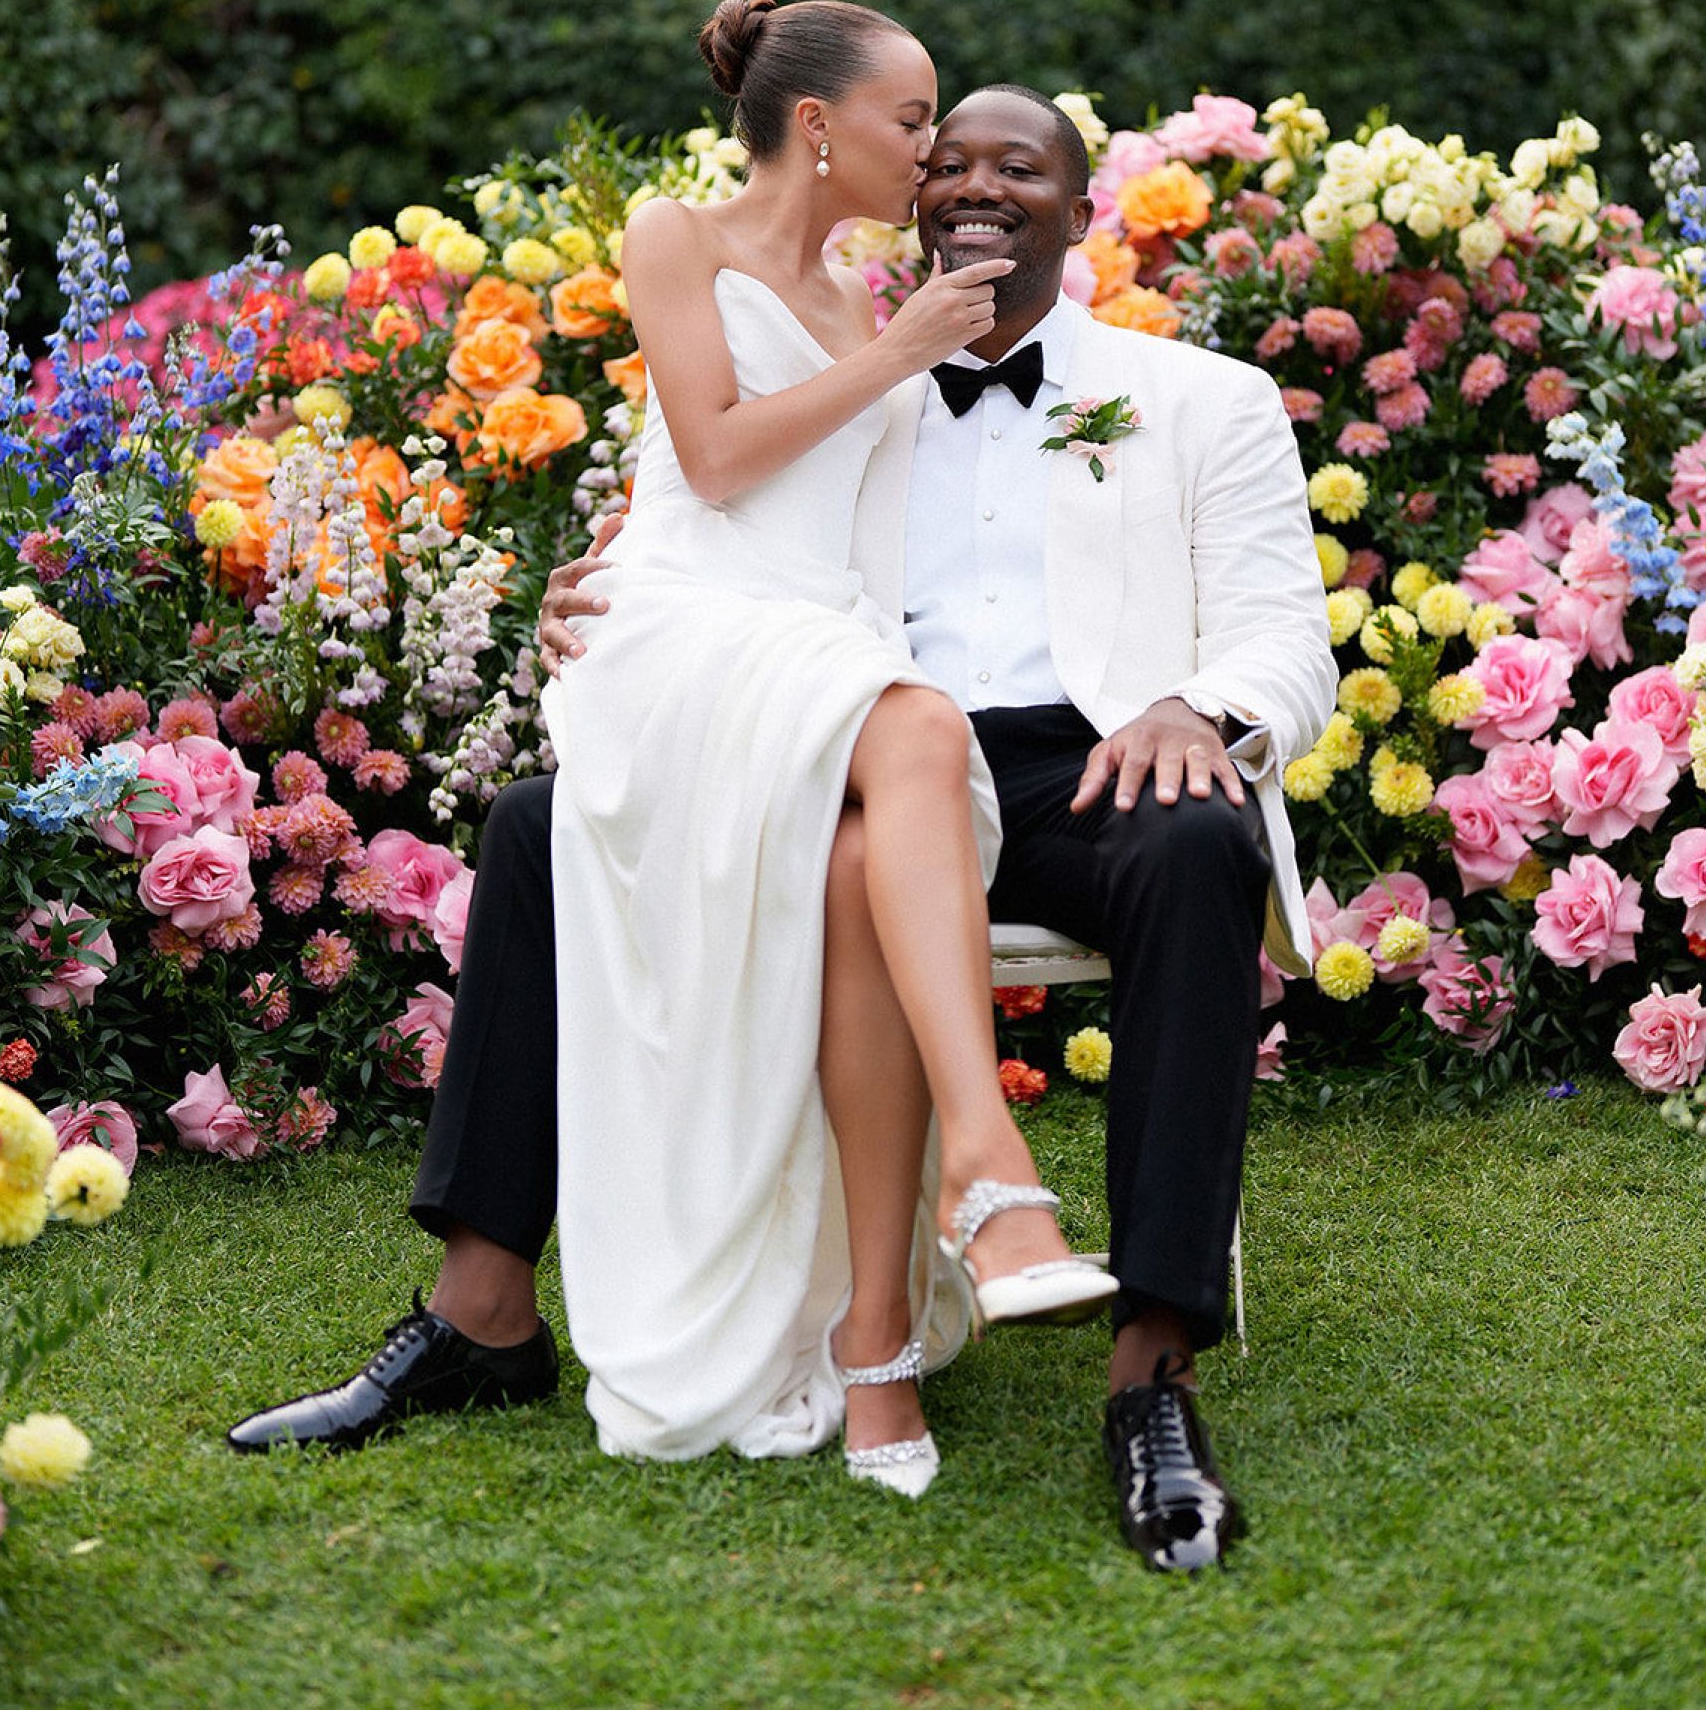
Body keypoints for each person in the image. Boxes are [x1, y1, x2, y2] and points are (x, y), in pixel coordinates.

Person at [231, 80, 1335, 1574]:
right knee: (544, 825)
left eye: (1023, 166)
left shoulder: (1203, 398)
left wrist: (1199, 710)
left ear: (1083, 212)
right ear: (912, 198)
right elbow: (703, 500)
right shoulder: (853, 367)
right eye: (947, 161)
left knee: (1198, 843)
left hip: (1096, 768)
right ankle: (480, 1306)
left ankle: (1151, 1373)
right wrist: (606, 588)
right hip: (849, 746)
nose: (977, 184)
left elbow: (1289, 641)